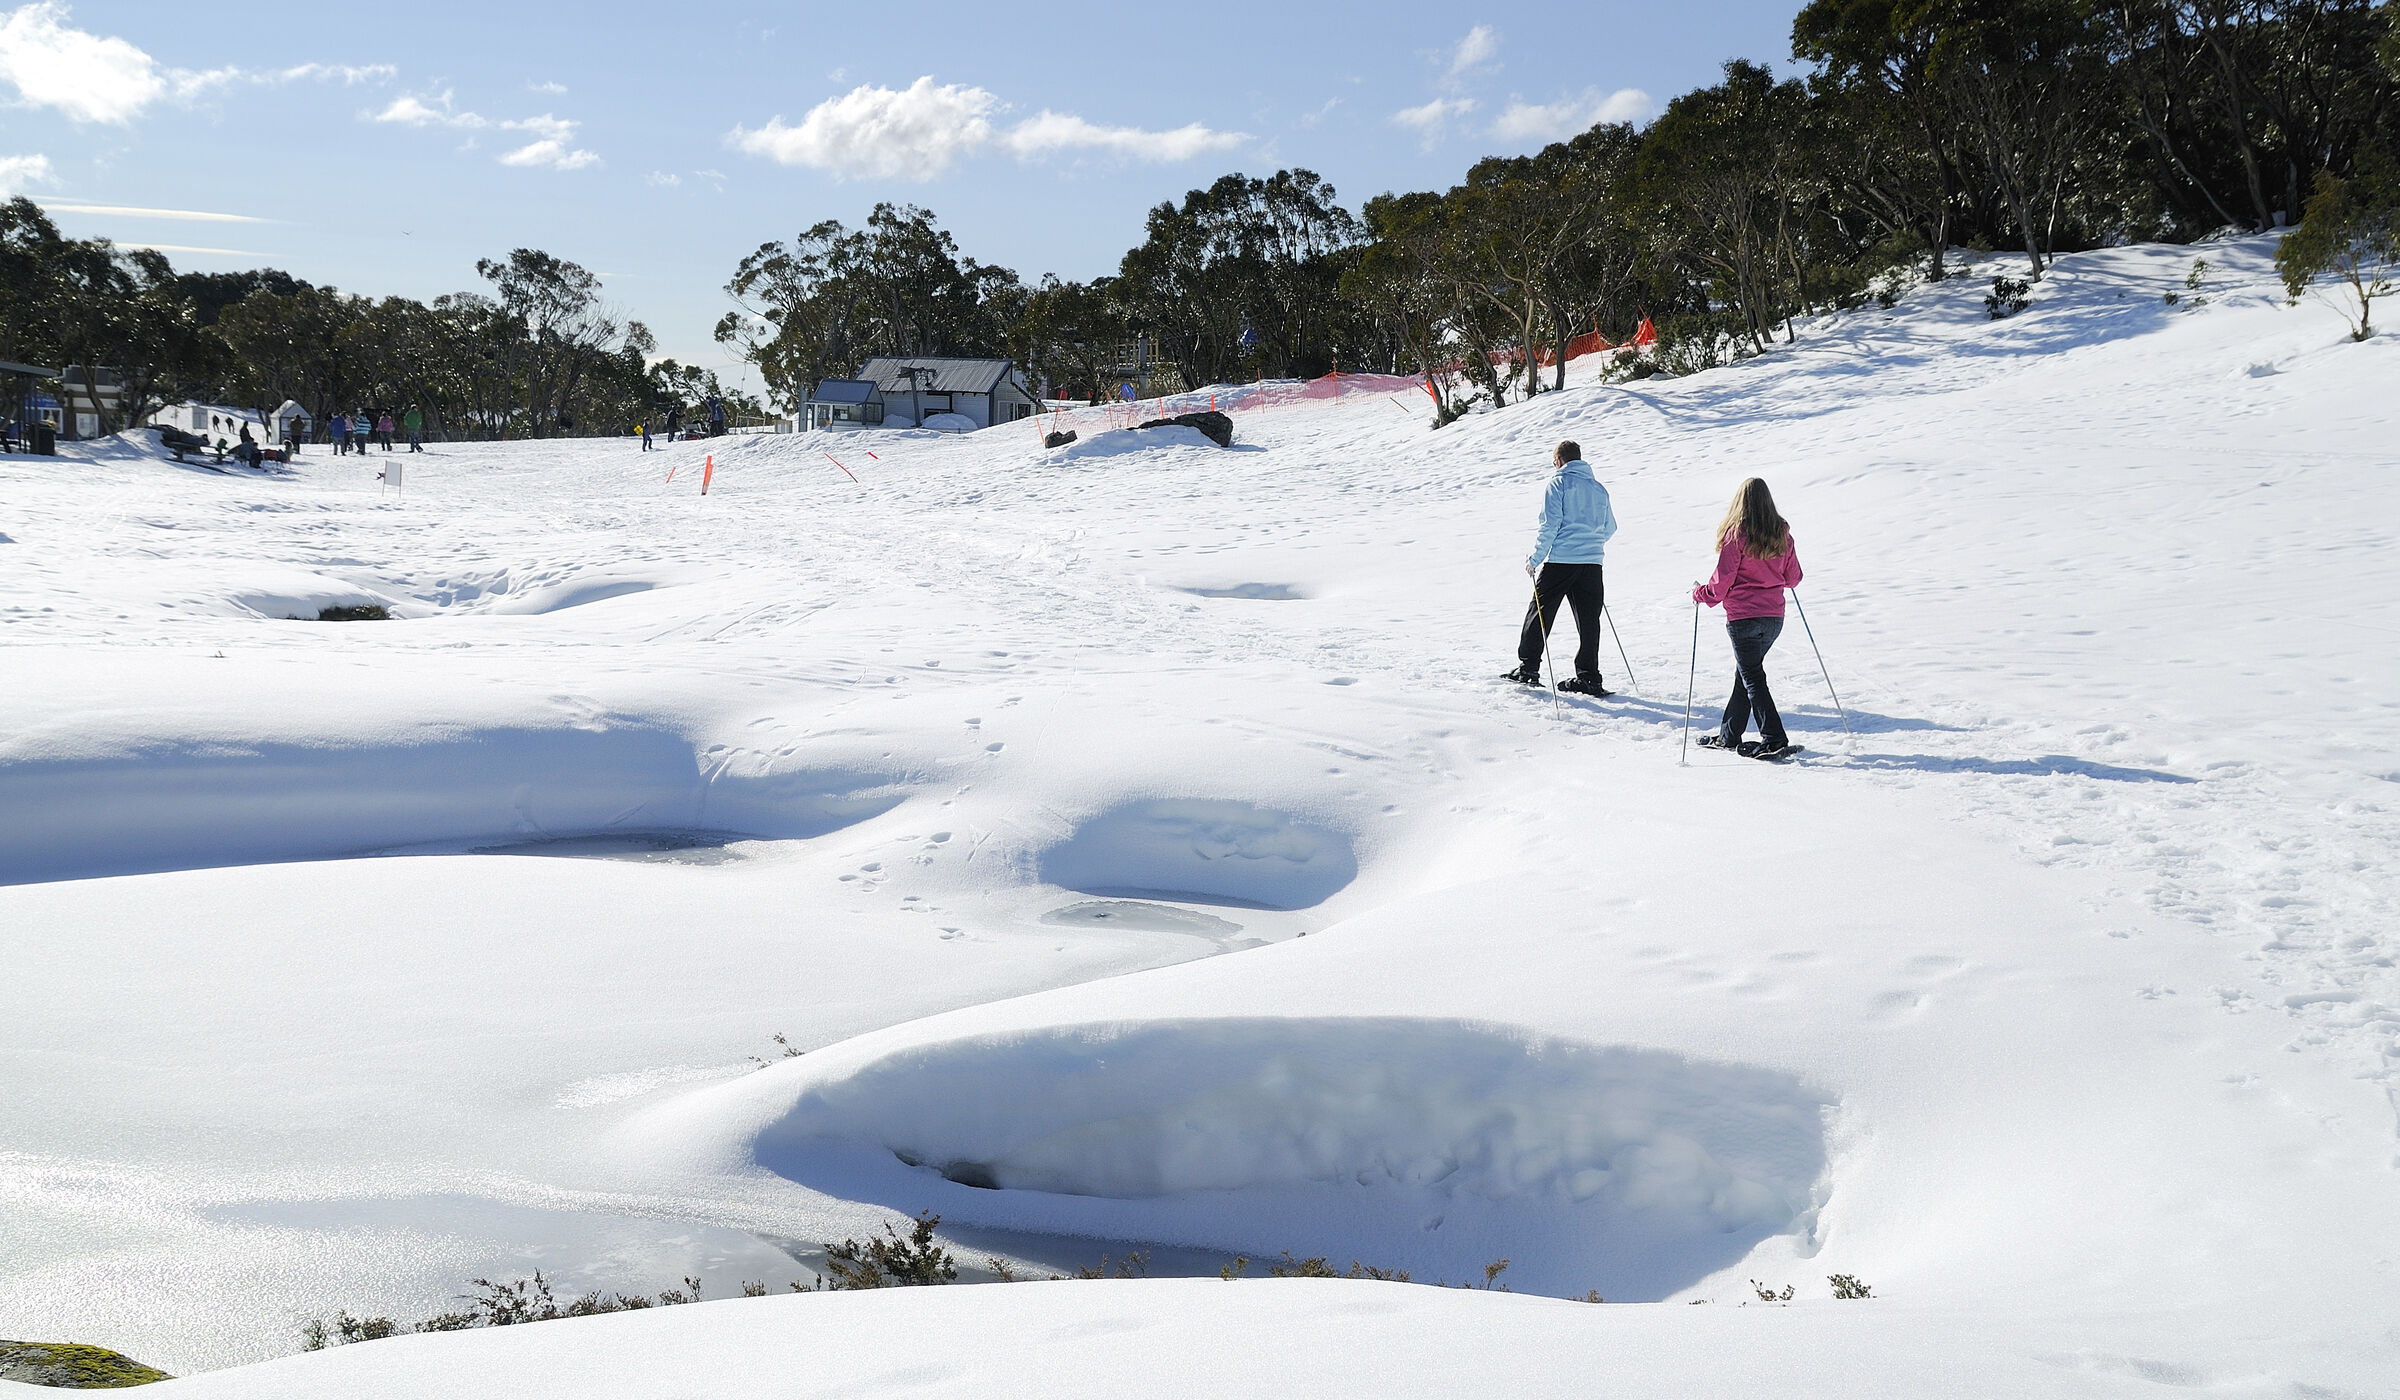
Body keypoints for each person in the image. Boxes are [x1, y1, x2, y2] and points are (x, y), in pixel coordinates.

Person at [1693, 478, 1805, 759]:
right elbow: (1793, 578)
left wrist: (1700, 593)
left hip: (1744, 617)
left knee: (1752, 676)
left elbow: (1721, 582)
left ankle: (1774, 738)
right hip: (1773, 617)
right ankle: (1729, 736)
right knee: (1746, 674)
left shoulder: (1737, 534)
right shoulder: (1781, 534)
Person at [1505, 439, 1618, 695]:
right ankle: (1589, 677)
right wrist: (1591, 543)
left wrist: (1535, 559)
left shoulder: (1558, 483)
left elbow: (1550, 524)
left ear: (1558, 461)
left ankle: (1528, 668)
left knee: (1540, 612)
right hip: (1592, 563)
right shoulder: (1599, 489)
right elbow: (1610, 527)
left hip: (1561, 560)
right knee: (1589, 620)